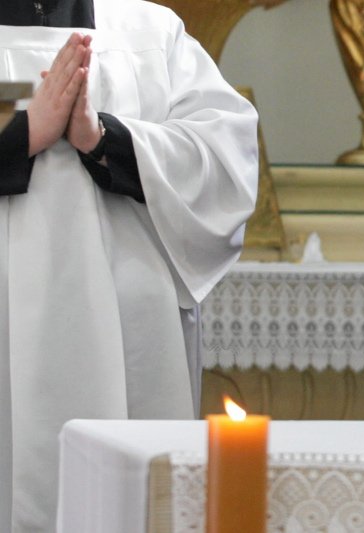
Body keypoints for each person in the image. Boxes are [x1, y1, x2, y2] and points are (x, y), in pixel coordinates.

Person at [0, 0, 258, 530]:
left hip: (129, 318)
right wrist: (21, 135)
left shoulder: (148, 30)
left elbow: (224, 159)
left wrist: (106, 139)